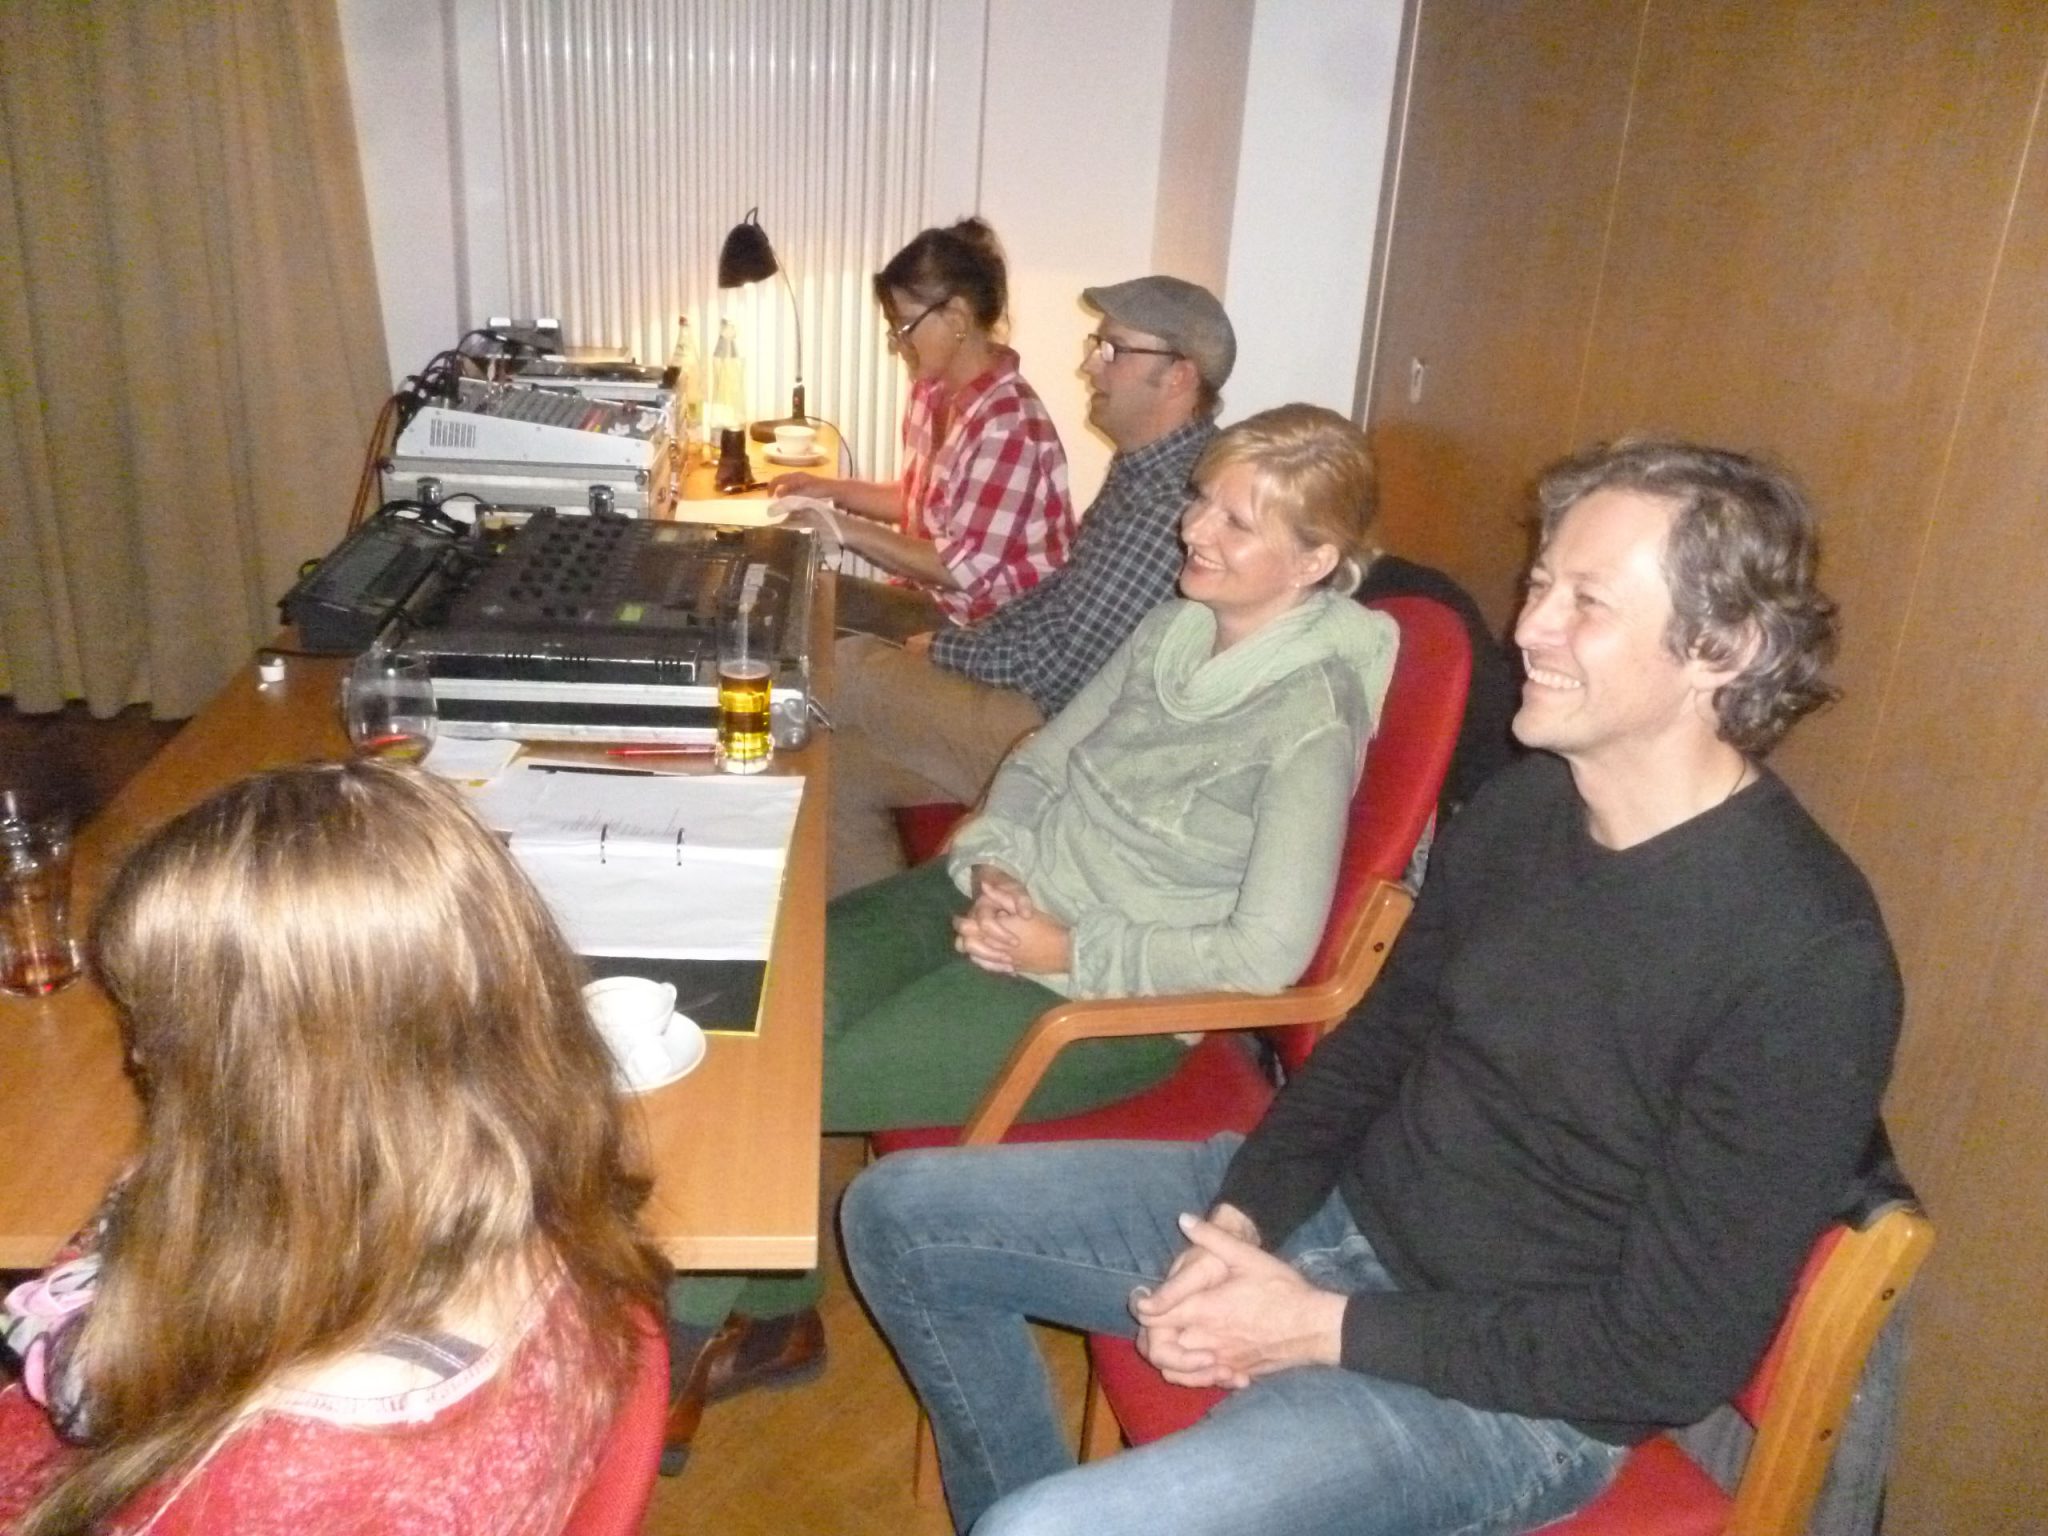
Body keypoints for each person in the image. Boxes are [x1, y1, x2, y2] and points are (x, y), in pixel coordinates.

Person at [841, 439, 1905, 1536]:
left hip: (1504, 1394)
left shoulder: (1804, 957)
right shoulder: (1527, 809)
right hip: (1341, 1217)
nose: (1528, 627)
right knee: (897, 1216)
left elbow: (1664, 1356)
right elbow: (1374, 1047)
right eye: (1539, 584)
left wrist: (1314, 1328)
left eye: (1585, 602)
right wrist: (1244, 1219)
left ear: (1723, 648)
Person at [663, 405, 1401, 1474]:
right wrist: (997, 858)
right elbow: (1046, 757)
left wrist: (1068, 949)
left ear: (1315, 560)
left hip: (1102, 996)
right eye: (1202, 499)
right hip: (1000, 896)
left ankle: (678, 1350)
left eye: (1237, 522)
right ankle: (776, 1314)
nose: (1195, 528)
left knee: (788, 1078)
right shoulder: (1172, 627)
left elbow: (1263, 955)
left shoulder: (1309, 717)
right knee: (756, 1006)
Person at [0, 763, 667, 1536]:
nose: (142, 1058)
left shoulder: (271, 1480)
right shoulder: (528, 1186)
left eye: (161, 1026)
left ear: (281, 1089)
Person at [828, 275, 1235, 893]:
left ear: (1178, 376)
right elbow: (1059, 596)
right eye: (1097, 345)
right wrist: (966, 640)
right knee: (836, 768)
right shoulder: (1144, 467)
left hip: (1067, 740)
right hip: (1044, 707)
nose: (1089, 366)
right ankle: (853, 937)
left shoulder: (1176, 500)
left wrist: (946, 649)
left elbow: (1063, 670)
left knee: (850, 667)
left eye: (1112, 350)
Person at [772, 217, 1074, 639]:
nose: (897, 342)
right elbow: (920, 503)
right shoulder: (931, 390)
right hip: (938, 602)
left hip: (991, 631)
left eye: (905, 326)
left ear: (957, 317)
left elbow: (961, 568)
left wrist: (843, 528)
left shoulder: (1009, 426)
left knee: (793, 621)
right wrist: (830, 490)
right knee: (785, 597)